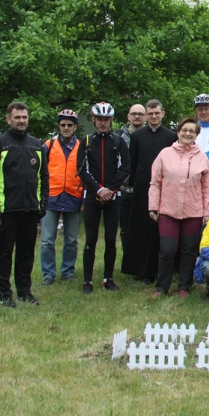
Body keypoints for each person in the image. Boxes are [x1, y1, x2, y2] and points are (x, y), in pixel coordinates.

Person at [0, 101, 49, 307]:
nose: (21, 121)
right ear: (8, 119)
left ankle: (24, 291)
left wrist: (43, 204)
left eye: (24, 117)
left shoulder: (36, 145)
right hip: (7, 210)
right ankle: (4, 293)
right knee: (4, 253)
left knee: (26, 253)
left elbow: (44, 176)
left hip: (30, 209)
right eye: (17, 117)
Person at [148, 117, 209, 298]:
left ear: (196, 135)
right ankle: (162, 287)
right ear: (178, 132)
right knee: (167, 250)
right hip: (168, 211)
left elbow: (207, 188)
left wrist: (207, 211)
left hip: (193, 212)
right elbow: (155, 182)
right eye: (184, 130)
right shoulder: (165, 154)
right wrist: (153, 206)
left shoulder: (202, 158)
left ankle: (185, 286)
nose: (187, 133)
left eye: (192, 131)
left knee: (188, 250)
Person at [121, 100, 178, 284]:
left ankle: (161, 269)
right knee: (141, 229)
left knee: (160, 230)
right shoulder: (137, 136)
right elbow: (133, 161)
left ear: (163, 113)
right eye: (150, 113)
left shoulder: (170, 136)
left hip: (165, 189)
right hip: (142, 188)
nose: (154, 116)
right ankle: (142, 270)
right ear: (147, 115)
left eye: (156, 113)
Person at [77, 102, 130, 295]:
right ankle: (87, 281)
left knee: (110, 238)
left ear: (111, 121)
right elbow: (81, 170)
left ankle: (108, 278)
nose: (103, 123)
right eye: (99, 119)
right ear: (93, 119)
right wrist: (98, 190)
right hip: (92, 196)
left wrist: (111, 189)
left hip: (113, 197)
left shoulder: (118, 142)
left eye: (106, 119)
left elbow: (125, 168)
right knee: (90, 239)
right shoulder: (86, 142)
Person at [39, 109, 83, 286]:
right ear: (59, 126)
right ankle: (48, 274)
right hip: (52, 197)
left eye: (69, 125)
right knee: (47, 240)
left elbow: (86, 172)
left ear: (75, 127)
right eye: (63, 125)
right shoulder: (48, 145)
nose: (66, 128)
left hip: (73, 196)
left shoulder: (82, 146)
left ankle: (67, 272)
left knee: (71, 240)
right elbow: (41, 172)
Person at [117, 104, 145, 245]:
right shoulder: (118, 137)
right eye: (134, 113)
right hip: (123, 189)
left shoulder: (150, 136)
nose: (137, 116)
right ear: (128, 116)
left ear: (145, 117)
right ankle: (128, 261)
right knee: (125, 227)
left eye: (140, 114)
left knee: (143, 228)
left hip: (144, 189)